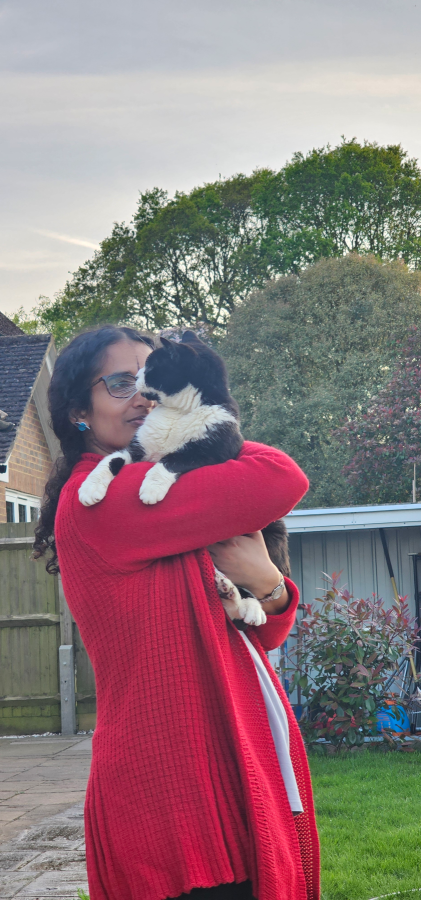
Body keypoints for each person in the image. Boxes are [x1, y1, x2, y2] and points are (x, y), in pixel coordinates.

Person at [34, 325, 320, 900]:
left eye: (148, 376)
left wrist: (268, 585)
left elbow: (264, 636)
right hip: (170, 784)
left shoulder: (166, 487)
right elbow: (281, 477)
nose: (144, 394)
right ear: (78, 412)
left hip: (222, 759)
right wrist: (212, 421)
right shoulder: (105, 499)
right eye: (121, 383)